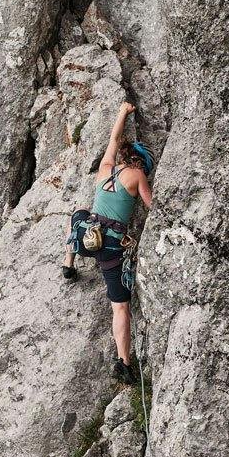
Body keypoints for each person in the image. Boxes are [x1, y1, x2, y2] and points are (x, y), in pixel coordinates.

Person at [64, 102, 155, 384]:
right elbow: (152, 205)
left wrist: (122, 113)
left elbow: (114, 140)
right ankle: (124, 362)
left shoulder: (105, 168)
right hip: (111, 250)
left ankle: (68, 262)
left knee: (78, 214)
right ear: (142, 164)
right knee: (120, 307)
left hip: (86, 238)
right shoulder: (138, 176)